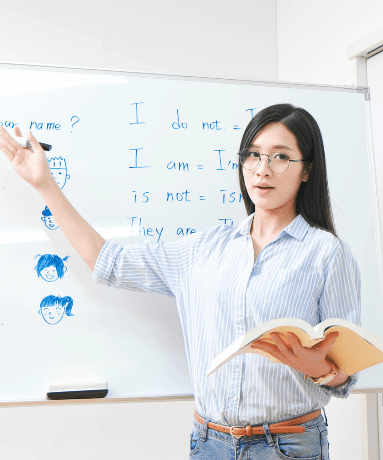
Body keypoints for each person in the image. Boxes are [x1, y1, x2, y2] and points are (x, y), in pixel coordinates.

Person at [0, 103, 361, 459]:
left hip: (289, 445)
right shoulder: (203, 250)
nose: (262, 170)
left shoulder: (327, 254)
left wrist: (318, 369)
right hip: (210, 443)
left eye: (280, 157)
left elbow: (347, 372)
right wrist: (44, 184)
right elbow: (106, 261)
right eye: (253, 155)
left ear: (306, 171)